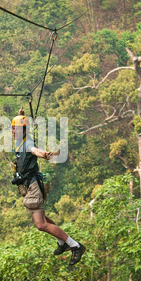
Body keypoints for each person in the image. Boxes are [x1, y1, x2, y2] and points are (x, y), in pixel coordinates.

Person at [11, 108, 85, 265]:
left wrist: (44, 154)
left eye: (16, 128)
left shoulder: (28, 143)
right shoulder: (20, 141)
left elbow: (34, 150)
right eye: (12, 128)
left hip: (33, 187)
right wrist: (23, 115)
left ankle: (75, 245)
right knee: (43, 219)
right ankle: (62, 242)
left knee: (41, 224)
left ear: (23, 131)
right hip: (29, 186)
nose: (13, 131)